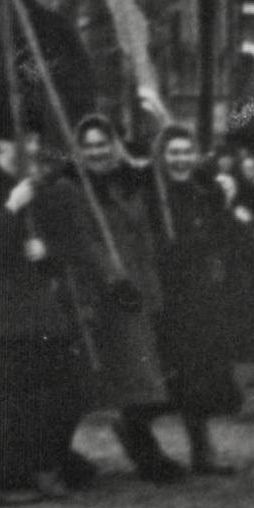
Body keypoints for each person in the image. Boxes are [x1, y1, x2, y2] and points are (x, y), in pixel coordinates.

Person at [0, 117, 105, 503]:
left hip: (38, 308)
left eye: (35, 143)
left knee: (65, 390)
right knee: (7, 402)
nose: (32, 152)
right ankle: (8, 481)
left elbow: (74, 244)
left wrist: (47, 251)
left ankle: (45, 464)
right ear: (0, 148)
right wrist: (10, 208)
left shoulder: (44, 189)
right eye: (22, 145)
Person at [69, 115, 181, 482]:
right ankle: (136, 449)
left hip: (144, 284)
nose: (97, 152)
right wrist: (114, 280)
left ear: (115, 144)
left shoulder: (134, 179)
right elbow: (87, 242)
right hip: (106, 292)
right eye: (89, 146)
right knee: (120, 376)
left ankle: (138, 441)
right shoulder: (76, 188)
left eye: (103, 143)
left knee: (149, 376)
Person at [133, 122, 248, 475]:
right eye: (173, 153)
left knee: (201, 378)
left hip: (200, 297)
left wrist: (226, 206)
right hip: (167, 298)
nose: (180, 160)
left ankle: (202, 450)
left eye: (186, 153)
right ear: (162, 157)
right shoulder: (153, 196)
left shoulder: (203, 191)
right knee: (173, 377)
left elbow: (221, 235)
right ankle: (134, 426)